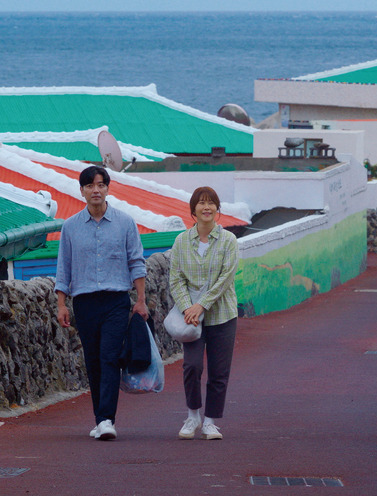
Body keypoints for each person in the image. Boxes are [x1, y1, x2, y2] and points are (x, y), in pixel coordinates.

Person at [55, 165, 148, 441]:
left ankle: (107, 419)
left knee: (109, 357)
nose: (96, 190)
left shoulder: (125, 222)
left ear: (108, 188)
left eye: (101, 185)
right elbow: (64, 268)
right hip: (84, 302)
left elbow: (136, 262)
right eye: (90, 186)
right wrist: (61, 304)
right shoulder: (70, 227)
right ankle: (100, 418)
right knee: (93, 360)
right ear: (81, 191)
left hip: (116, 300)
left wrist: (141, 300)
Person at [169, 186, 239, 440]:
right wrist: (189, 307)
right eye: (201, 203)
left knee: (219, 371)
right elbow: (175, 279)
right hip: (191, 318)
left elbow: (225, 278)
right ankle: (193, 415)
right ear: (193, 210)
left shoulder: (228, 241)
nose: (206, 207)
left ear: (217, 210)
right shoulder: (181, 242)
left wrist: (202, 305)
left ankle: (210, 421)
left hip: (223, 315)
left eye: (211, 203)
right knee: (192, 366)